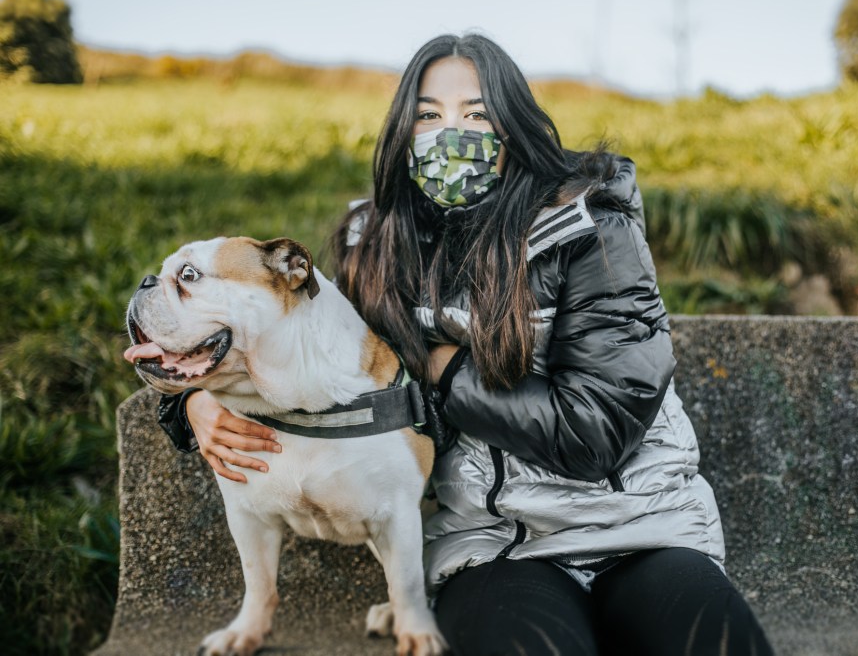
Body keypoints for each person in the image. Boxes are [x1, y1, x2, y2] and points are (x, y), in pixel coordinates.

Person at [157, 33, 773, 656]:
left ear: (516, 127)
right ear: (402, 135)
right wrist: (193, 403)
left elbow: (597, 431)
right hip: (488, 546)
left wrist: (439, 365)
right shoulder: (372, 245)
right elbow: (297, 355)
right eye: (428, 115)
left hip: (645, 531)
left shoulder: (594, 231)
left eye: (476, 114)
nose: (452, 135)